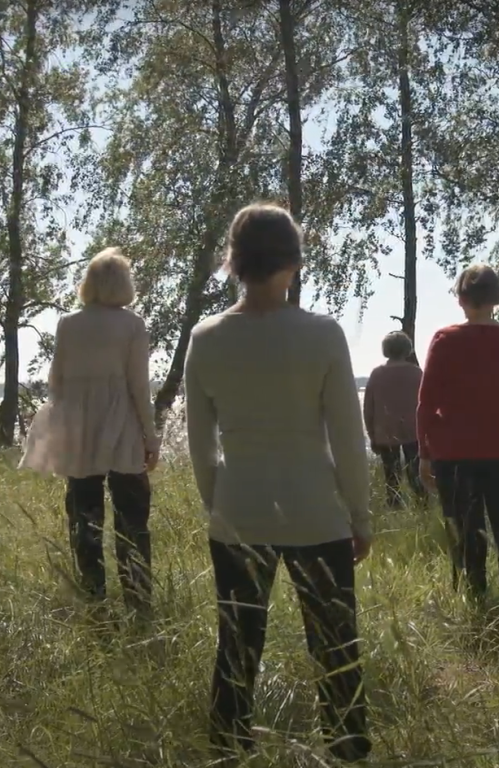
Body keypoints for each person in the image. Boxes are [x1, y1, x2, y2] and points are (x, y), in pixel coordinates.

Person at [184, 203, 372, 763]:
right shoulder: (322, 334)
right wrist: (359, 516)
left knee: (236, 649)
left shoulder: (206, 336)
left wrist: (218, 503)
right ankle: (347, 752)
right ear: (292, 261)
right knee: (337, 647)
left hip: (239, 512)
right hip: (316, 513)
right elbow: (347, 436)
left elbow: (200, 445)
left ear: (234, 263)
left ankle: (229, 753)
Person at [20, 248, 160, 619]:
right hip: (121, 425)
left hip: (80, 428)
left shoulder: (68, 322)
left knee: (84, 516)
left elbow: (56, 380)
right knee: (132, 519)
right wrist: (151, 436)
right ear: (123, 283)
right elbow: (138, 385)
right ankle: (137, 603)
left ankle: (93, 596)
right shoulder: (132, 324)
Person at [417, 264, 499, 599]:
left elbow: (426, 403)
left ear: (461, 299)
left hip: (454, 456)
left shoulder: (445, 340)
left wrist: (424, 453)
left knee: (465, 531)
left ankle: (473, 597)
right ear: (496, 299)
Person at [363, 331, 427, 508]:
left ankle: (395, 508)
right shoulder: (417, 373)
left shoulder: (377, 374)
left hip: (385, 433)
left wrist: (372, 435)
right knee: (416, 475)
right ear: (407, 350)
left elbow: (368, 408)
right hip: (414, 432)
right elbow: (426, 404)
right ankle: (423, 509)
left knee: (391, 477)